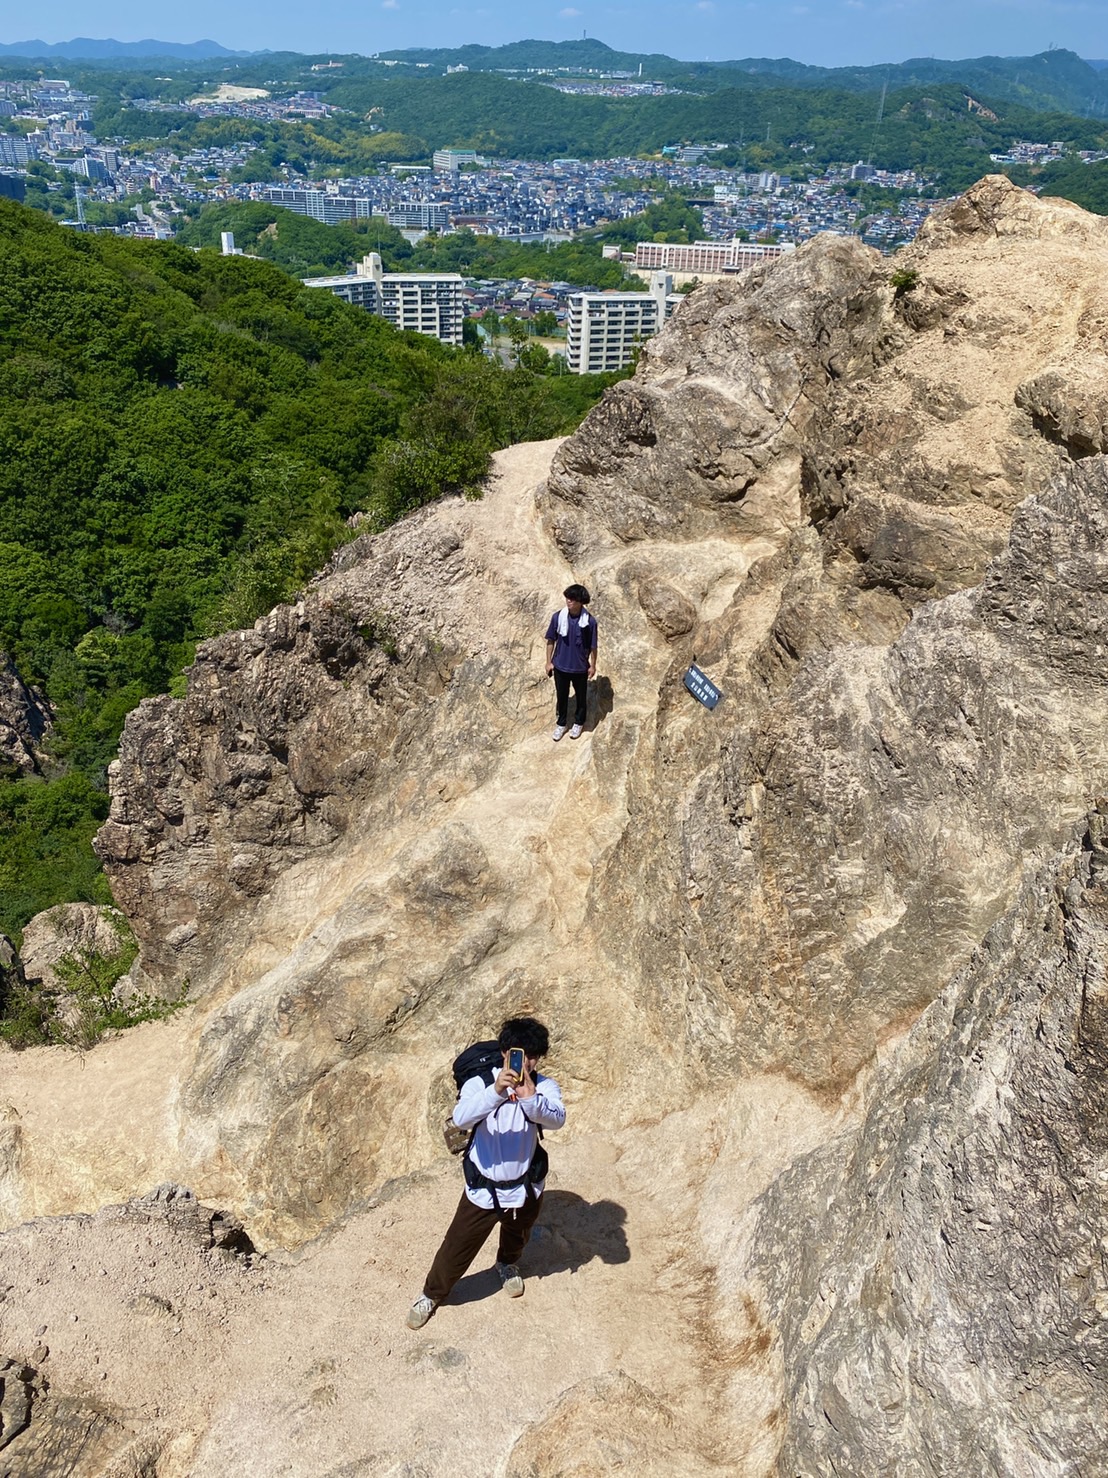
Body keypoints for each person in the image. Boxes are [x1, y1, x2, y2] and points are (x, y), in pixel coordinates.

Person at [407, 1016, 565, 1330]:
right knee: (457, 1245)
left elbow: (557, 1119)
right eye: (522, 1054)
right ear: (505, 1052)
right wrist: (497, 1090)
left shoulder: (544, 1087)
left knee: (518, 1234)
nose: (528, 1062)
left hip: (525, 1186)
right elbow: (462, 1117)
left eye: (534, 1056)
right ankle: (432, 1293)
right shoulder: (480, 1084)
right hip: (483, 1189)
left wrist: (530, 1098)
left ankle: (507, 1264)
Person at [545, 584, 597, 742]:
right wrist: (548, 662)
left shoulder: (589, 622)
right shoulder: (558, 617)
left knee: (581, 697)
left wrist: (593, 665)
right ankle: (561, 724)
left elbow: (593, 646)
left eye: (573, 599)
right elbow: (551, 640)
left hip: (580, 668)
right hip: (560, 665)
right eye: (567, 597)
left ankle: (578, 722)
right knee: (562, 696)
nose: (569, 601)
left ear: (581, 601)